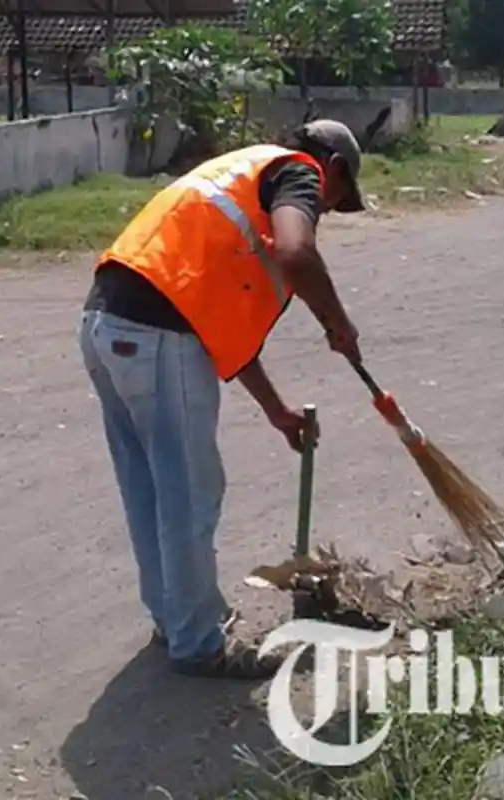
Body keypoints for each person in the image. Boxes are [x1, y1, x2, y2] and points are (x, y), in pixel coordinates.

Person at [78, 120, 366, 680]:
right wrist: (338, 321)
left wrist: (275, 409)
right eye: (333, 201)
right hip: (158, 334)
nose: (322, 210)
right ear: (332, 168)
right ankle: (198, 644)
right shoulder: (297, 172)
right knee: (189, 494)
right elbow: (297, 252)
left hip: (105, 324)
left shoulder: (240, 173)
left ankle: (177, 620)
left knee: (150, 490)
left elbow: (221, 330)